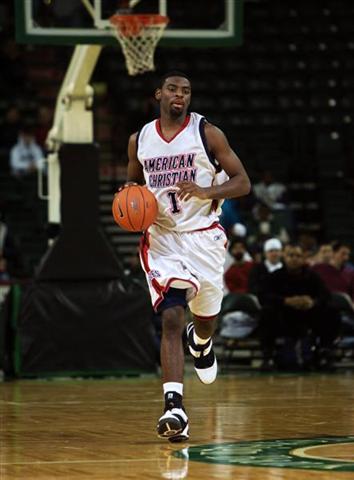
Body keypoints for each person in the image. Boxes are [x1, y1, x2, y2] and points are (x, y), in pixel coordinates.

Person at [123, 71, 250, 442]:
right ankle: (174, 406)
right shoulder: (139, 140)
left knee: (205, 318)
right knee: (172, 316)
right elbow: (134, 182)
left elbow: (242, 182)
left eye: (187, 91)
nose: (181, 95)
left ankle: (203, 341)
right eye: (174, 89)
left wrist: (207, 189)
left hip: (205, 239)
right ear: (159, 93)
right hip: (162, 239)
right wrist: (130, 199)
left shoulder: (207, 133)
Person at [259, 244, 340, 370]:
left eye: (298, 256)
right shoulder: (275, 276)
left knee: (330, 311)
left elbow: (325, 295)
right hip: (283, 316)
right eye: (291, 255)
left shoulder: (312, 276)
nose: (294, 259)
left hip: (308, 315)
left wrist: (313, 302)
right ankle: (268, 356)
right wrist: (286, 301)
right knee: (266, 312)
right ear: (284, 257)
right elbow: (263, 296)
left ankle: (325, 353)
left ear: (303, 259)